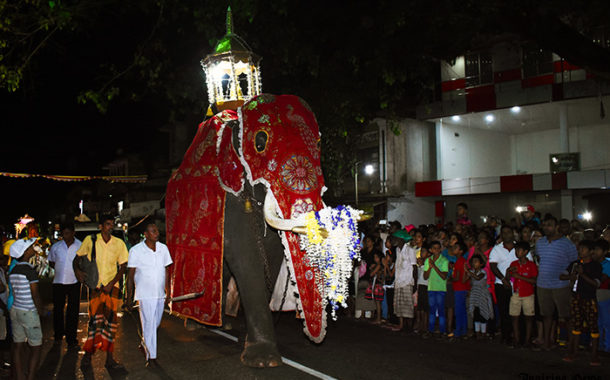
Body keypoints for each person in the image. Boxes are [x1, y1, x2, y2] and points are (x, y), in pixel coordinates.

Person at [73, 215, 128, 369]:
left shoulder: (119, 244)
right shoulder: (90, 240)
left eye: (112, 224)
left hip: (112, 288)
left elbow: (123, 267)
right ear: (100, 226)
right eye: (107, 224)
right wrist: (77, 270)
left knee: (111, 323)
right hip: (96, 287)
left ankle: (109, 358)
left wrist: (112, 283)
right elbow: (76, 259)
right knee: (93, 322)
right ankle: (88, 354)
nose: (110, 227)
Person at [126, 223, 173, 367]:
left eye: (157, 230)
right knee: (149, 325)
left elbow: (166, 271)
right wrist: (129, 297)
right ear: (145, 234)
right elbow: (131, 275)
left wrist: (168, 291)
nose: (157, 233)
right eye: (153, 231)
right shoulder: (136, 251)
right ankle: (151, 357)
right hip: (145, 295)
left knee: (155, 324)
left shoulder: (163, 249)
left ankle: (144, 343)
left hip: (159, 294)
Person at [535, 216, 578, 351]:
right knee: (546, 315)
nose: (546, 227)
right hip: (543, 284)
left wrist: (567, 275)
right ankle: (547, 342)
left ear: (556, 226)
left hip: (560, 285)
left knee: (566, 316)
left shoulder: (566, 243)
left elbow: (574, 261)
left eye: (550, 225)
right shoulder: (540, 242)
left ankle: (572, 345)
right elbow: (539, 259)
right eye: (545, 225)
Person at [561, 240, 602, 366]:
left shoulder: (595, 266)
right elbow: (561, 276)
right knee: (576, 324)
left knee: (592, 326)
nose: (580, 251)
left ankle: (594, 355)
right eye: (580, 248)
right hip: (576, 297)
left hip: (589, 298)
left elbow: (596, 284)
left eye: (583, 249)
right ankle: (574, 351)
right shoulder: (575, 264)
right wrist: (571, 277)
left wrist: (582, 275)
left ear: (591, 251)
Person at [8, 238, 44, 380]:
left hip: (15, 309)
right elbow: (35, 294)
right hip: (28, 311)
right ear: (25, 252)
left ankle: (20, 377)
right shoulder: (29, 271)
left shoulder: (13, 270)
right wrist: (41, 310)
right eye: (30, 248)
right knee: (36, 347)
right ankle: (30, 376)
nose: (32, 249)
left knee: (18, 345)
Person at [48, 223, 82, 348]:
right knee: (58, 310)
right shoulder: (56, 247)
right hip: (58, 282)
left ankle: (71, 339)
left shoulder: (80, 245)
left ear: (73, 233)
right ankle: (58, 336)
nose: (66, 236)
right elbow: (51, 262)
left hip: (74, 282)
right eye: (64, 234)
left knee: (73, 311)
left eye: (68, 233)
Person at [489, 225, 519, 345]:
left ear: (513, 233)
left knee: (517, 312)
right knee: (504, 311)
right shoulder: (497, 249)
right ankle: (506, 336)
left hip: (518, 284)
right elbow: (493, 266)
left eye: (509, 232)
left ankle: (516, 335)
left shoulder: (519, 247)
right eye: (504, 233)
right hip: (501, 284)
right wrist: (503, 279)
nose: (507, 235)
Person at [506, 241, 538, 348]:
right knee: (514, 317)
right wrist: (508, 271)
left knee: (528, 318)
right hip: (516, 293)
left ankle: (527, 340)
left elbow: (534, 281)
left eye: (519, 250)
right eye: (516, 250)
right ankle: (517, 339)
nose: (516, 252)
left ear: (526, 252)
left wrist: (518, 276)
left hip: (528, 294)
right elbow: (508, 278)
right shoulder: (514, 264)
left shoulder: (531, 265)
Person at [390, 230, 416, 332]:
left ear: (401, 239)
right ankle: (401, 325)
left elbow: (415, 267)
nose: (393, 241)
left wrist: (414, 284)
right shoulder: (397, 250)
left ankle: (409, 326)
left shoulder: (410, 250)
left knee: (408, 305)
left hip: (407, 280)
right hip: (399, 280)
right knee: (399, 304)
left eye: (395, 239)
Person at [423, 241, 449, 338]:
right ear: (431, 250)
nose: (437, 250)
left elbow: (444, 276)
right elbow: (425, 276)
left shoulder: (444, 260)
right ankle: (431, 330)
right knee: (432, 310)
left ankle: (442, 331)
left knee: (441, 310)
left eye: (438, 248)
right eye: (434, 248)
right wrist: (430, 267)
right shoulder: (428, 260)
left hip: (441, 288)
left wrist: (434, 266)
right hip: (431, 287)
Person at [466, 254, 493, 340]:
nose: (474, 263)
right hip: (475, 294)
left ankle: (483, 333)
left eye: (476, 261)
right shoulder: (472, 272)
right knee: (476, 314)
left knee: (483, 314)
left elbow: (478, 278)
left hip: (482, 294)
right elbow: (470, 281)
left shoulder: (483, 272)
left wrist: (468, 271)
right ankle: (478, 333)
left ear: (481, 264)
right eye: (473, 262)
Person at [593, 239, 610, 353]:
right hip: (594, 294)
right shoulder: (594, 263)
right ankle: (598, 345)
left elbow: (601, 279)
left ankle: (607, 346)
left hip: (604, 294)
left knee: (606, 322)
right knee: (597, 321)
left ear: (605, 252)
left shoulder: (608, 264)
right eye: (594, 249)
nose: (595, 252)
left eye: (598, 249)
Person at [452, 242, 470, 340]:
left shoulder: (459, 261)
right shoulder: (463, 261)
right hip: (463, 288)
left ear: (461, 251)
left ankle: (458, 330)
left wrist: (450, 279)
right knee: (462, 311)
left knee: (458, 311)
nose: (453, 249)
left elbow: (457, 277)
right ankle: (463, 330)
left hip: (459, 288)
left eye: (456, 247)